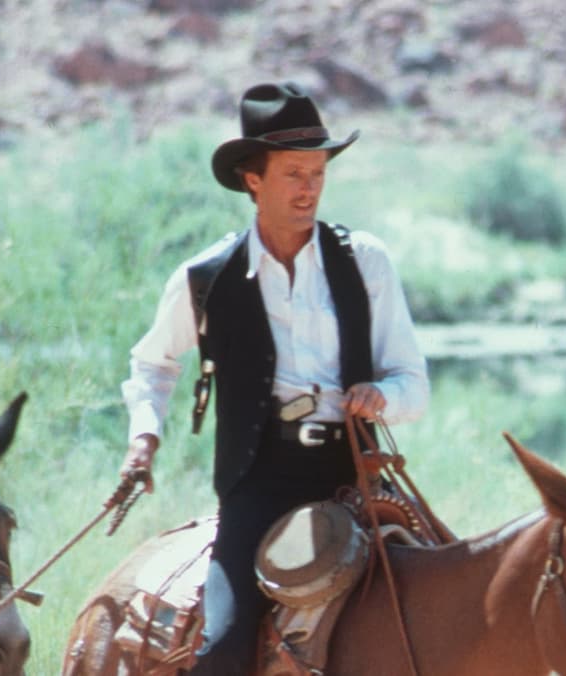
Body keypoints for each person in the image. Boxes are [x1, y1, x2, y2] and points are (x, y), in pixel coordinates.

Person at [117, 82, 429, 675]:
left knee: (456, 612)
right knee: (223, 648)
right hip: (257, 485)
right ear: (252, 180)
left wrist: (381, 396)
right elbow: (153, 363)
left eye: (318, 172)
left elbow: (413, 386)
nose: (309, 188)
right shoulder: (206, 278)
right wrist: (143, 439)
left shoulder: (364, 261)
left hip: (357, 477)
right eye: (293, 173)